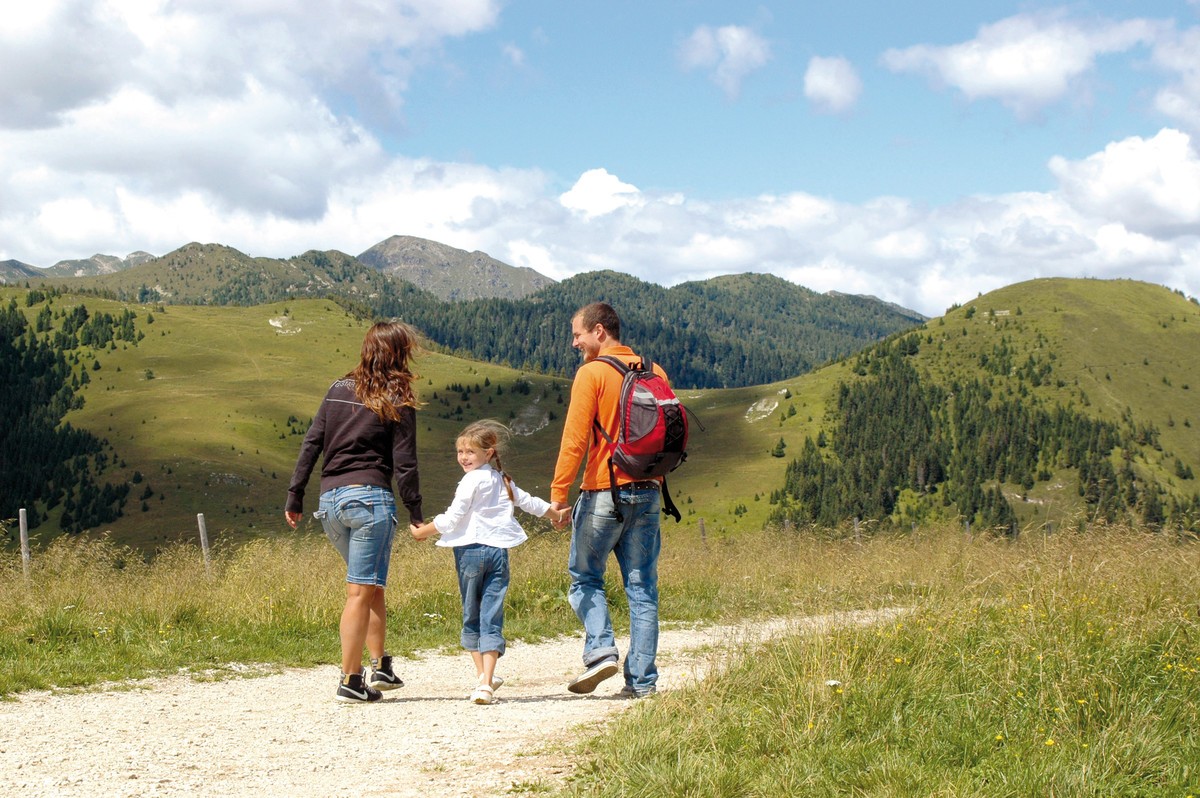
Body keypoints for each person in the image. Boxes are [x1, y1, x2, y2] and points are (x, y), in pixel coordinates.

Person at [285, 320, 424, 704]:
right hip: (370, 501)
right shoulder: (399, 396)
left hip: (330, 504)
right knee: (359, 591)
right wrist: (415, 511)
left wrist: (295, 496)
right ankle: (350, 678)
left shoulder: (337, 389)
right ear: (399, 353)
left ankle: (380, 666)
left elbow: (312, 443)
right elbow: (405, 462)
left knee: (370, 584)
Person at [550, 302, 668, 699]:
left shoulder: (593, 373)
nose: (574, 342)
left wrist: (559, 495)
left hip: (604, 490)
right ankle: (642, 683)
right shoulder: (655, 371)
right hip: (649, 491)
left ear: (599, 331)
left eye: (578, 334)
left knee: (585, 578)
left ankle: (601, 651)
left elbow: (575, 439)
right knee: (642, 587)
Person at [410, 420, 567, 704]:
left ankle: (484, 680)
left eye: (470, 451)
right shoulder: (503, 479)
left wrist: (423, 531)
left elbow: (453, 517)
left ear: (488, 453)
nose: (463, 457)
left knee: (472, 613)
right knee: (491, 613)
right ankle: (487, 679)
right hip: (498, 553)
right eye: (460, 451)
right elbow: (529, 503)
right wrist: (556, 515)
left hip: (470, 552)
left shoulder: (471, 480)